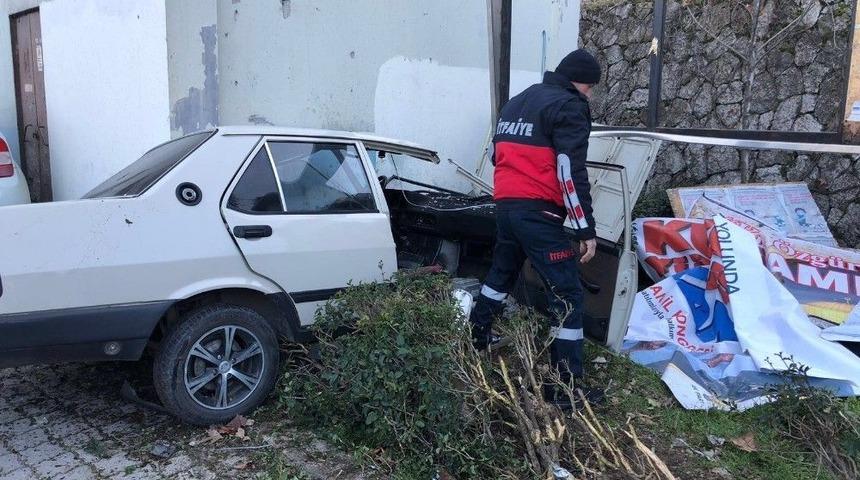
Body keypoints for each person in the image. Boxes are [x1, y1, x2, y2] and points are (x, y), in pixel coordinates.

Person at [469, 49, 602, 407]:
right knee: (567, 295)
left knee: (500, 276)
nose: (589, 95)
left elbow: (496, 156)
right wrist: (585, 229)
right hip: (540, 212)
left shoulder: (517, 102)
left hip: (506, 207)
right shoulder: (569, 106)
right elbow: (569, 170)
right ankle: (564, 388)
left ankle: (475, 341)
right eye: (590, 88)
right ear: (579, 82)